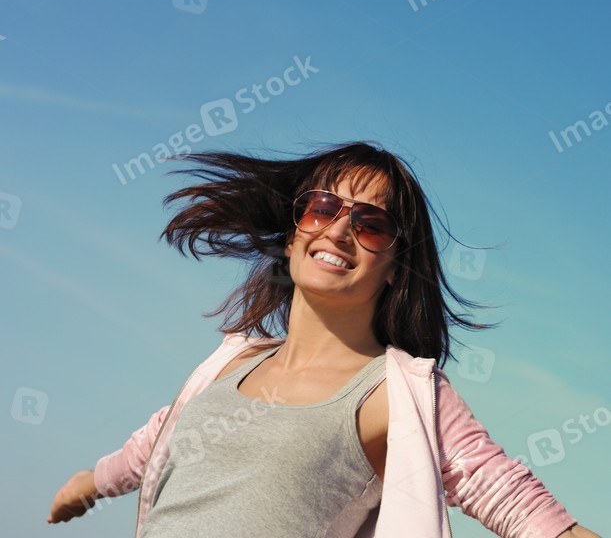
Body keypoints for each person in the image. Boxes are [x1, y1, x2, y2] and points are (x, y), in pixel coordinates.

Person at [47, 142, 600, 537]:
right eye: (323, 208)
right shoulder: (230, 361)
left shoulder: (397, 393)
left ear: (395, 267)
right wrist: (88, 485)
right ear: (293, 238)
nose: (338, 230)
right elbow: (153, 444)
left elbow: (511, 500)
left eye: (371, 224)